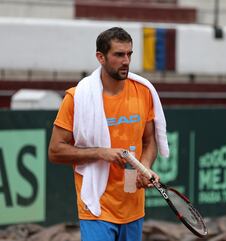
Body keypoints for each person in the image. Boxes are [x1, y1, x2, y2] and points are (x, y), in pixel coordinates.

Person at [48, 27, 167, 241]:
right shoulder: (77, 98)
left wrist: (145, 167)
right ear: (100, 57)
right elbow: (56, 151)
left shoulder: (144, 92)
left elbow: (149, 141)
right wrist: (102, 153)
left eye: (129, 54)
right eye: (119, 55)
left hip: (132, 202)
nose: (126, 61)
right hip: (96, 205)